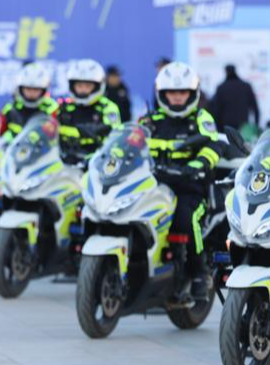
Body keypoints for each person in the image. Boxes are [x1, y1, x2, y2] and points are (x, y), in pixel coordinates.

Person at [139, 62, 225, 300]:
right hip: (154, 187)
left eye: (182, 93)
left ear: (192, 94)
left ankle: (199, 273)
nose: (177, 98)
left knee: (186, 220)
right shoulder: (149, 120)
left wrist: (197, 166)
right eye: (171, 93)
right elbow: (132, 145)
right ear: (162, 94)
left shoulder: (201, 118)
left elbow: (213, 145)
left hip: (190, 188)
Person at [57, 59, 121, 161]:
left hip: (97, 160)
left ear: (98, 86)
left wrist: (97, 129)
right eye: (79, 86)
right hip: (64, 160)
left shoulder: (108, 107)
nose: (83, 90)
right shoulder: (64, 108)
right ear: (72, 86)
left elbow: (114, 133)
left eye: (87, 86)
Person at [0, 62, 59, 142]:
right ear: (20, 89)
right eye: (28, 89)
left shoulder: (53, 109)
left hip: (42, 152)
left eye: (36, 89)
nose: (31, 93)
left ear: (43, 90)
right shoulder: (9, 109)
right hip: (11, 152)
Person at [210, 64, 259, 132]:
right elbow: (255, 108)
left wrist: (218, 129)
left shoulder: (221, 88)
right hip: (243, 126)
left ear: (226, 72)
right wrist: (256, 125)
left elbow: (216, 110)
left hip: (226, 127)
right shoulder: (246, 86)